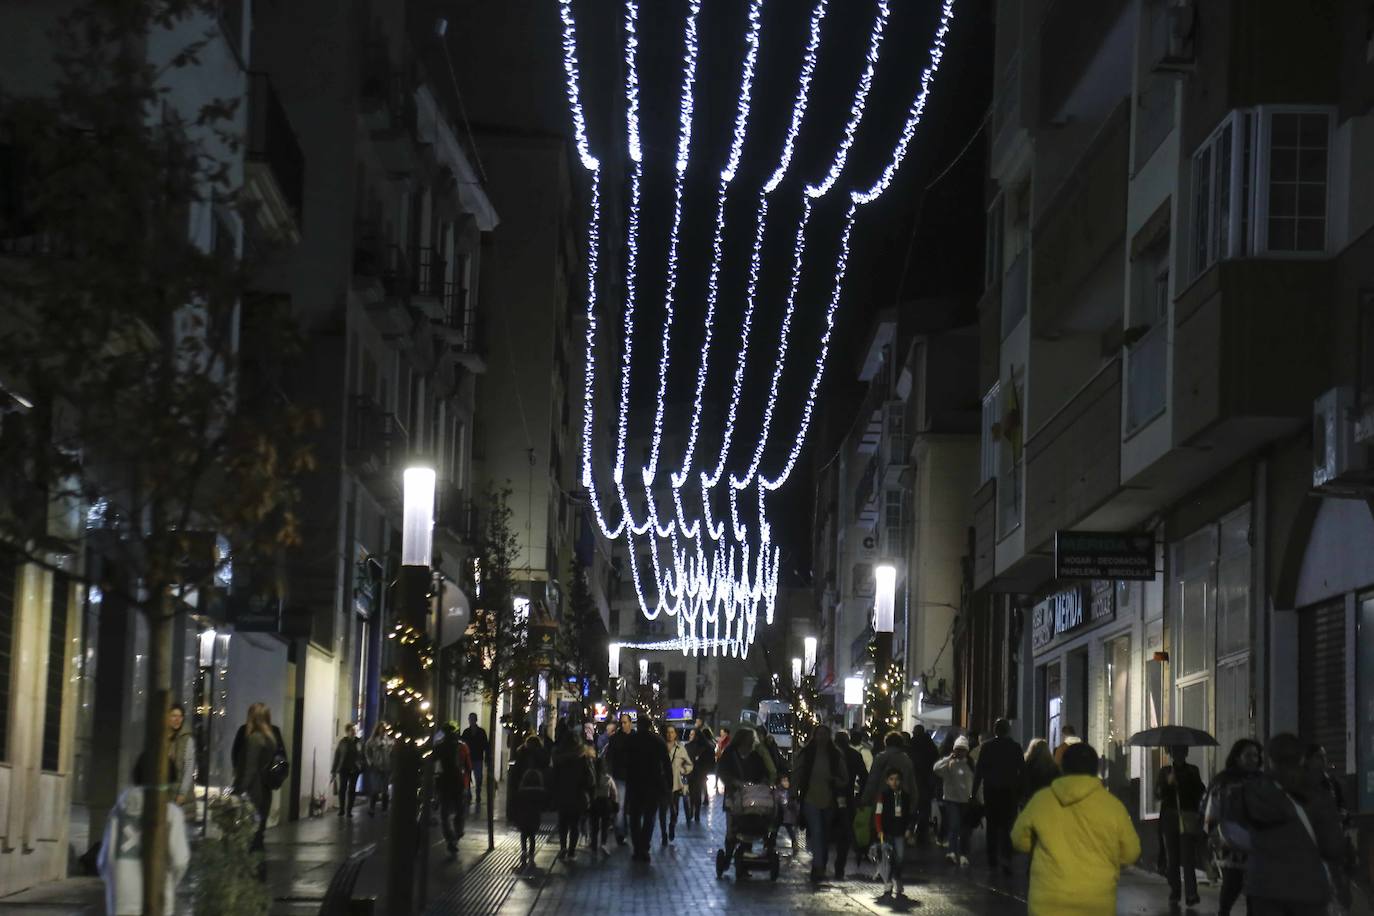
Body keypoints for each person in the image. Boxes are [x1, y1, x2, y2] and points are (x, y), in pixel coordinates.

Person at [1011, 741, 1141, 915]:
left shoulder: (1042, 801)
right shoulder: (1112, 807)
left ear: (1063, 768)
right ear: (1095, 770)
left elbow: (1018, 839)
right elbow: (1131, 852)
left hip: (1049, 903)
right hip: (1096, 903)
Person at [1240, 732, 1348, 915]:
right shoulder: (1318, 796)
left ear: (1269, 759)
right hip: (1308, 891)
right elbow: (1332, 847)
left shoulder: (1251, 792)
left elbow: (1238, 836)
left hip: (1263, 890)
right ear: (1301, 759)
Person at [98, 786, 192, 916]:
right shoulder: (171, 814)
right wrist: (169, 883)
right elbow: (179, 861)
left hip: (122, 899)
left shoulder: (118, 812)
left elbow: (105, 860)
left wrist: (115, 883)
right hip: (157, 898)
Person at [1203, 738, 1263, 916]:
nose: (1253, 759)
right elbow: (1211, 810)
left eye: (1256, 755)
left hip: (1258, 844)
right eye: (1248, 755)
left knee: (1256, 891)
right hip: (1230, 843)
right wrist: (1212, 835)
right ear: (1237, 757)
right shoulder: (1223, 781)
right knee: (1232, 885)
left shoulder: (1263, 781)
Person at [794, 724, 850, 882]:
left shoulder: (835, 754)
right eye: (819, 734)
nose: (822, 737)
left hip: (829, 799)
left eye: (825, 734)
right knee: (818, 832)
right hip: (810, 798)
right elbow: (797, 774)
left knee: (824, 834)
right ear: (815, 735)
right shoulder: (806, 753)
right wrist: (793, 793)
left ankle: (820, 865)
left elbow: (844, 778)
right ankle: (818, 867)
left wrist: (836, 781)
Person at [971, 718, 1024, 874]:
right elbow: (1022, 771)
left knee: (992, 826)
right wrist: (1021, 792)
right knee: (1008, 826)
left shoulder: (987, 747)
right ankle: (1006, 857)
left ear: (995, 731)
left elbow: (979, 772)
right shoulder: (1015, 747)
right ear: (1008, 730)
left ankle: (992, 857)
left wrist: (973, 793)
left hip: (992, 791)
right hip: (1009, 791)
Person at [1157, 744, 1206, 907]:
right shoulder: (1165, 772)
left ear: (1186, 753)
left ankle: (1191, 893)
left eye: (1182, 751)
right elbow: (1158, 794)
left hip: (1187, 815)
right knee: (1173, 858)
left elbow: (1200, 791)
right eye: (1175, 751)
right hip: (1170, 817)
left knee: (1188, 857)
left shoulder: (1192, 770)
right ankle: (1175, 891)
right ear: (1171, 753)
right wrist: (1168, 784)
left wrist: (1184, 784)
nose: (1179, 754)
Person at [623, 713, 672, 862]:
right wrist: (668, 784)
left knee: (635, 817)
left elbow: (626, 762)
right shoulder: (658, 741)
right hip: (653, 784)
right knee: (650, 817)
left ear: (639, 725)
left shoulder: (632, 740)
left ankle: (637, 847)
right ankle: (645, 846)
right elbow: (666, 764)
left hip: (635, 783)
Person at [232, 702, 280, 851]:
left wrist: (238, 791)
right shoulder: (270, 738)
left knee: (249, 836)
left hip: (253, 793)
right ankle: (259, 868)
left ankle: (253, 870)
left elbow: (250, 770)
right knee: (259, 832)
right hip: (265, 792)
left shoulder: (254, 739)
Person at [933, 735, 975, 867]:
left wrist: (978, 799)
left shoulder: (971, 765)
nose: (960, 752)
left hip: (967, 801)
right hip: (952, 800)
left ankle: (963, 854)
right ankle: (951, 852)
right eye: (958, 749)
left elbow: (977, 782)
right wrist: (948, 758)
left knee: (965, 829)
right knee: (954, 826)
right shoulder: (949, 764)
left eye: (962, 750)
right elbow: (936, 768)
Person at [552, 732, 594, 860]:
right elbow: (589, 779)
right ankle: (571, 851)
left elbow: (553, 777)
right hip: (577, 795)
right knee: (574, 824)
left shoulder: (558, 758)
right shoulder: (582, 758)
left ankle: (563, 847)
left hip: (562, 794)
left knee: (562, 823)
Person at [434, 721, 472, 855]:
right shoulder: (462, 746)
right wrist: (467, 784)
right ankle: (457, 833)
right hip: (458, 782)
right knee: (459, 811)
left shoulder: (440, 746)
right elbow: (468, 767)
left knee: (444, 814)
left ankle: (450, 837)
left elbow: (432, 761)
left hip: (445, 782)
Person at [874, 768, 911, 898]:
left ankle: (897, 876)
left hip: (900, 831)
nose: (894, 782)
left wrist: (908, 828)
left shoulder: (905, 796)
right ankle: (888, 881)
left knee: (900, 857)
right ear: (887, 781)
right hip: (887, 831)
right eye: (891, 779)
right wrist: (879, 830)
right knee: (887, 858)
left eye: (897, 779)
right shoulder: (883, 795)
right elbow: (878, 814)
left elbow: (908, 815)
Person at [862, 731, 918, 805]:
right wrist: (913, 802)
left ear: (886, 743)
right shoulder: (906, 760)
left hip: (881, 798)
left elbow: (873, 780)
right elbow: (911, 782)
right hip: (902, 799)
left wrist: (865, 799)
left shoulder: (880, 758)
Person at [659, 724, 693, 844]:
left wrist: (682, 771)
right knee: (662, 811)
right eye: (668, 732)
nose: (670, 734)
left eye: (672, 732)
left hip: (676, 785)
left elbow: (689, 764)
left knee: (674, 811)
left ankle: (672, 826)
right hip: (662, 784)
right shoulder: (660, 747)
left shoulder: (680, 749)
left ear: (675, 734)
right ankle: (664, 834)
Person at [605, 713, 633, 844]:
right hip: (620, 776)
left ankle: (626, 831)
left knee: (629, 807)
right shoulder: (615, 738)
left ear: (630, 723)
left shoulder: (635, 737)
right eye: (621, 723)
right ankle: (621, 834)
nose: (623, 725)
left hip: (633, 777)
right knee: (620, 807)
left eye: (625, 722)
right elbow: (609, 757)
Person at [511, 767, 546, 873]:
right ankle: (531, 854)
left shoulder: (521, 791)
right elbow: (543, 805)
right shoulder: (540, 792)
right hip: (534, 818)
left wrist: (515, 817)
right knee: (532, 836)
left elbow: (516, 805)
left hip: (523, 817)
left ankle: (523, 851)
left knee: (523, 834)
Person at [908, 725, 939, 843]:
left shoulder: (911, 745)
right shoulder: (931, 745)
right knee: (925, 806)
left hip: (914, 779)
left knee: (912, 806)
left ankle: (910, 828)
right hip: (927, 781)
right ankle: (922, 829)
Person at [586, 742, 618, 853]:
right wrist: (615, 802)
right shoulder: (608, 778)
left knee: (594, 825)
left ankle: (593, 844)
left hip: (594, 803)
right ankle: (603, 844)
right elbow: (614, 793)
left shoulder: (592, 778)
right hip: (606, 803)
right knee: (604, 825)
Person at [330, 723, 363, 818]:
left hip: (355, 769)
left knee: (352, 790)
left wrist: (360, 764)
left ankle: (349, 810)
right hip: (343, 768)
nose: (353, 732)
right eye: (351, 730)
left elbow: (362, 754)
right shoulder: (342, 742)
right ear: (347, 732)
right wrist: (334, 770)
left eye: (354, 730)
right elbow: (337, 756)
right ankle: (341, 809)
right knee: (342, 789)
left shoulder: (359, 742)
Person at [364, 722, 394, 815]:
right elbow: (367, 752)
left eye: (383, 729)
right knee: (375, 788)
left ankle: (384, 810)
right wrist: (370, 762)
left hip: (386, 767)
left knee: (385, 790)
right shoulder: (371, 741)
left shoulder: (389, 740)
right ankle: (371, 808)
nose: (382, 731)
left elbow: (392, 752)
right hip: (376, 767)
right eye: (380, 729)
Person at [686, 725, 714, 823]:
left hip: (693, 773)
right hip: (700, 773)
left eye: (692, 734)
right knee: (697, 793)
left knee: (693, 793)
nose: (690, 736)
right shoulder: (707, 746)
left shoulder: (689, 746)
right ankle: (695, 812)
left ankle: (692, 811)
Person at [461, 712, 490, 807]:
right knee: (468, 777)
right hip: (468, 758)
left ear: (475, 720)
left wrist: (487, 757)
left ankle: (477, 792)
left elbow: (486, 745)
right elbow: (462, 744)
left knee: (478, 777)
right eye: (470, 719)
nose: (471, 721)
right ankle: (469, 793)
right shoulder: (466, 732)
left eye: (473, 719)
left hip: (478, 758)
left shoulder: (481, 732)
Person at [1022, 738, 1059, 804]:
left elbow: (1024, 781)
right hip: (1048, 798)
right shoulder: (1053, 766)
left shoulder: (1027, 764)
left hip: (1031, 798)